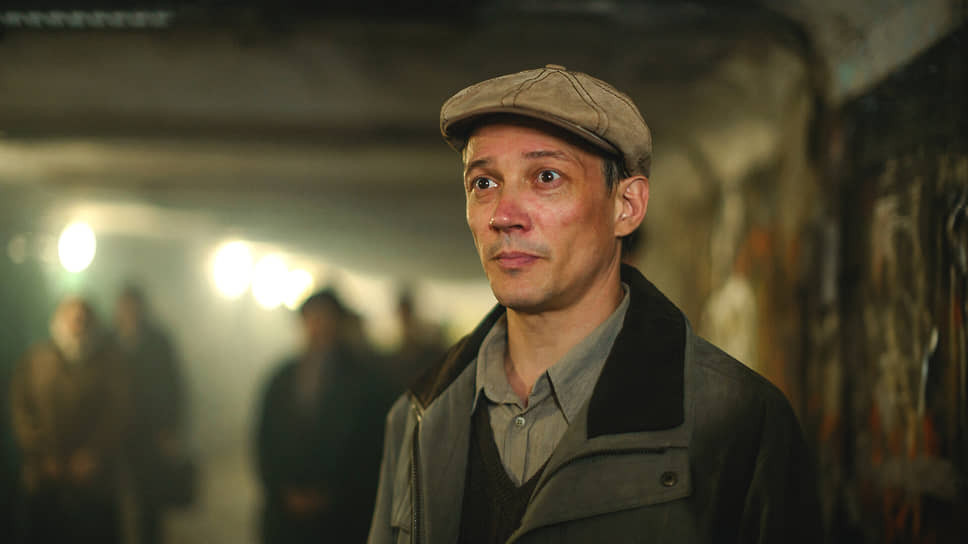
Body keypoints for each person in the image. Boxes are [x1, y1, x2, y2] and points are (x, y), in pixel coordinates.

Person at [367, 65, 822, 543]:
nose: (504, 215)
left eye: (546, 176)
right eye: (484, 183)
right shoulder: (420, 415)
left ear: (627, 206)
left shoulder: (736, 420)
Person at [255, 289, 390, 543]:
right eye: (311, 317)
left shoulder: (364, 381)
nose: (318, 325)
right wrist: (283, 490)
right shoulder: (282, 378)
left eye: (325, 317)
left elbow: (371, 446)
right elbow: (265, 438)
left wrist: (332, 494)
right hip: (286, 515)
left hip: (342, 518)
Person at [10, 296, 130, 543]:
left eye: (83, 319)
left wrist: (94, 454)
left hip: (95, 486)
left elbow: (118, 411)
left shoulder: (109, 362)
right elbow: (21, 409)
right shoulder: (36, 361)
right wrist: (42, 455)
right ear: (58, 321)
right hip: (45, 482)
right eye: (71, 318)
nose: (77, 324)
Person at [114, 284, 189, 544]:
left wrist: (171, 430)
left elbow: (175, 386)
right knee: (116, 502)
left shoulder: (159, 341)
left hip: (151, 434)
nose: (129, 311)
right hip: (116, 434)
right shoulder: (110, 341)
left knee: (150, 502)